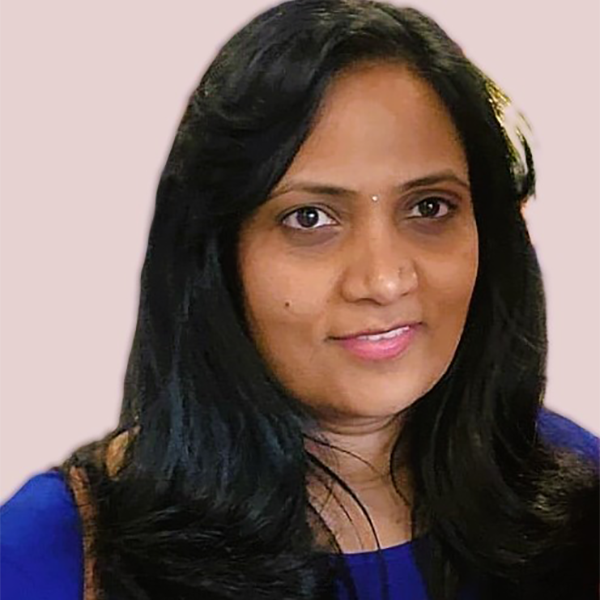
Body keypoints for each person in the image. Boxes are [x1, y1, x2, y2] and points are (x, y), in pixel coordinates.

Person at [1, 1, 599, 599]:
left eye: (429, 207)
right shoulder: (53, 552)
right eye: (309, 217)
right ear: (216, 254)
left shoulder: (571, 500)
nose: (384, 280)